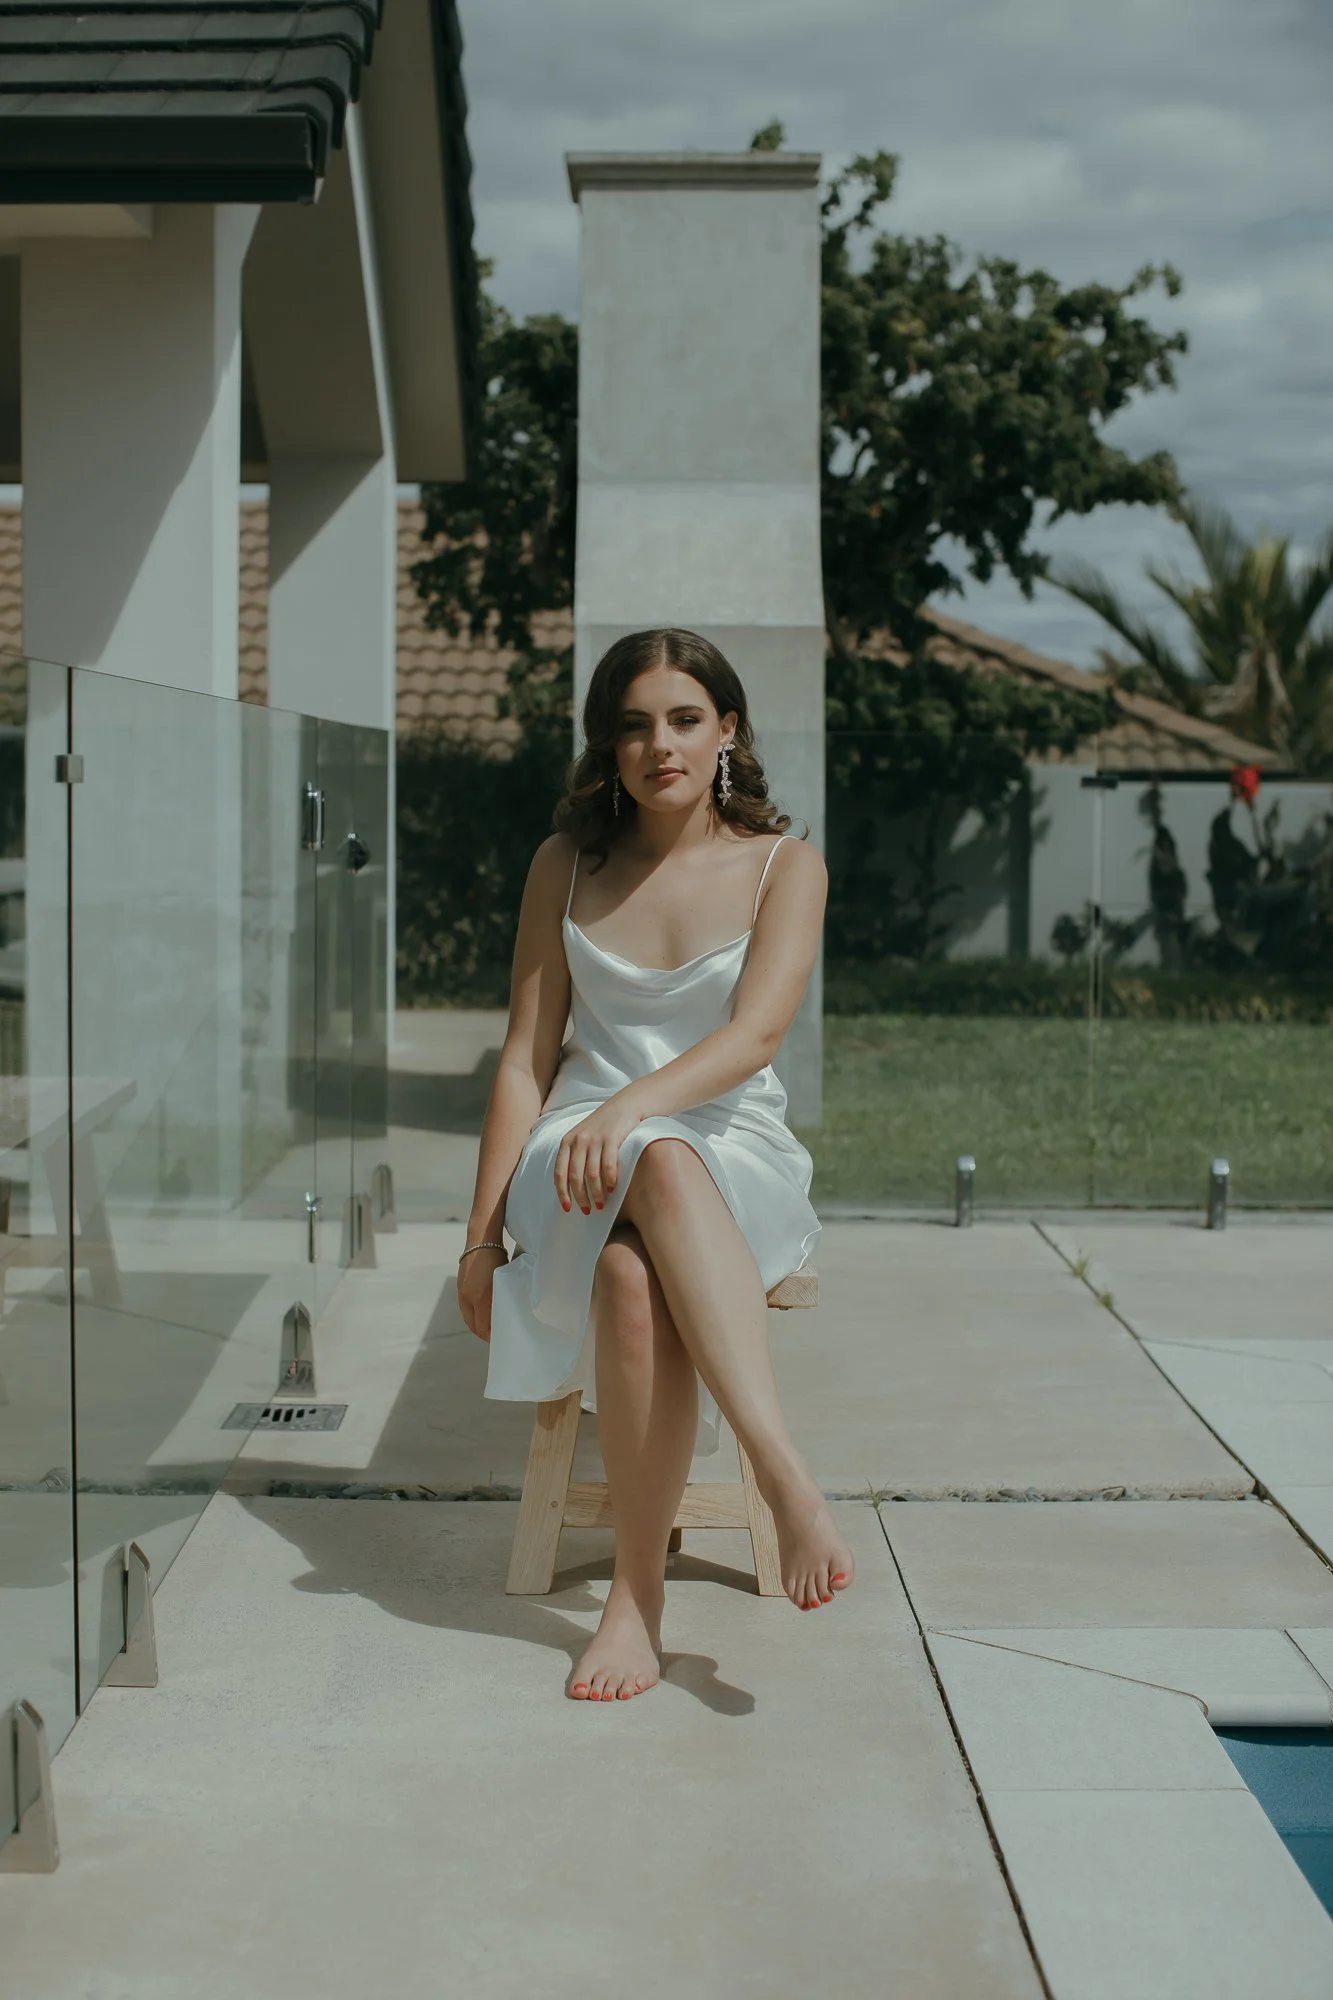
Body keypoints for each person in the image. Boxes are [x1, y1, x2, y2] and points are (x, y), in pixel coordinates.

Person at [457, 627, 854, 1703]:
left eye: (683, 718)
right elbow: (525, 1058)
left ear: (726, 730)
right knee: (651, 1163)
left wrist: (635, 1105)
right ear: (606, 744)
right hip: (576, 1153)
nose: (658, 744)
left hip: (730, 1144)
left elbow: (756, 1036)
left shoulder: (787, 864)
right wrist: (481, 1234)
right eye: (632, 724)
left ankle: (636, 1597)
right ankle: (782, 1472)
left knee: (641, 1258)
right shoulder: (564, 861)